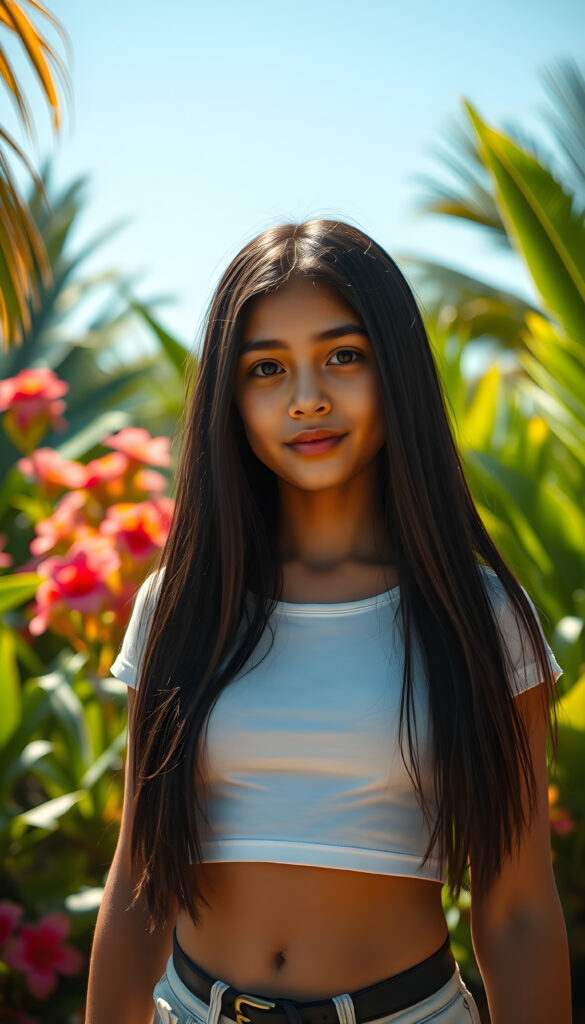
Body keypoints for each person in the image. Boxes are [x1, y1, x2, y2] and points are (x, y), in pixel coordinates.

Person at [86, 219, 572, 1024]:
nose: (306, 395)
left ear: (396, 372)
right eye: (266, 368)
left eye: (343, 356)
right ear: (230, 399)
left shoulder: (480, 618)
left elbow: (516, 907)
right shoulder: (177, 605)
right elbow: (137, 880)